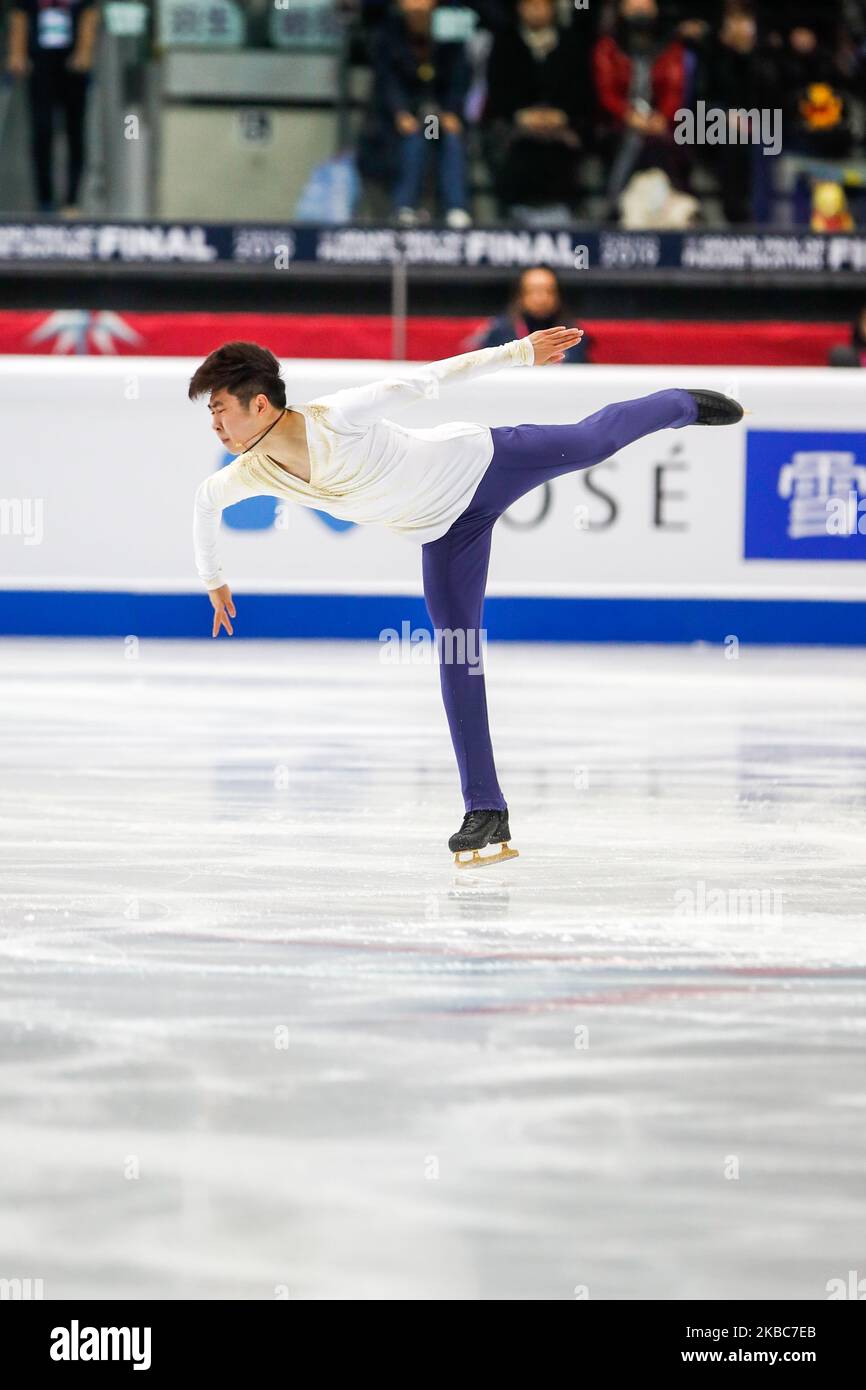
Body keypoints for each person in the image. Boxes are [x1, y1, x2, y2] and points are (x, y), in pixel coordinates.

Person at [189, 337, 743, 867]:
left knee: (591, 442)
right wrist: (214, 580)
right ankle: (486, 808)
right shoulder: (251, 471)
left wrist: (521, 352)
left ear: (259, 404)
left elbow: (427, 378)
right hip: (445, 531)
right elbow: (204, 504)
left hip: (482, 464)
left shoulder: (337, 416)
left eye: (218, 410)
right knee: (458, 655)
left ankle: (677, 404)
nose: (213, 424)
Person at [359, 0, 473, 228]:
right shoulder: (389, 35)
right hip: (399, 118)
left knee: (449, 139)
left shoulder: (448, 36)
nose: (418, 11)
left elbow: (458, 79)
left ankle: (456, 208)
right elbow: (386, 82)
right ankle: (404, 206)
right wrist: (400, 112)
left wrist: (451, 111)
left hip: (436, 115)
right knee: (416, 139)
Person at [481, 0, 590, 220]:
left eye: (542, 5)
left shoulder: (571, 42)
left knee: (563, 143)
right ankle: (515, 209)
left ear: (552, 9)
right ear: (520, 8)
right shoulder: (506, 42)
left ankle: (563, 208)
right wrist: (520, 115)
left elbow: (582, 90)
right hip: (516, 122)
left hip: (562, 123)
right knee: (516, 144)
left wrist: (562, 115)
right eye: (530, 5)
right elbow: (497, 91)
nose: (536, 10)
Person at [6, 0, 100, 216]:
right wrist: (17, 55)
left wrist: (84, 53)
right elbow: (19, 19)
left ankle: (71, 200)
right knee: (42, 132)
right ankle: (44, 200)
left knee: (75, 133)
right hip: (41, 68)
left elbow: (89, 18)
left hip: (72, 70)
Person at [465, 264, 590, 361]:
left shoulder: (574, 333)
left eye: (549, 291)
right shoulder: (499, 330)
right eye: (533, 291)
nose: (541, 298)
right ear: (520, 295)